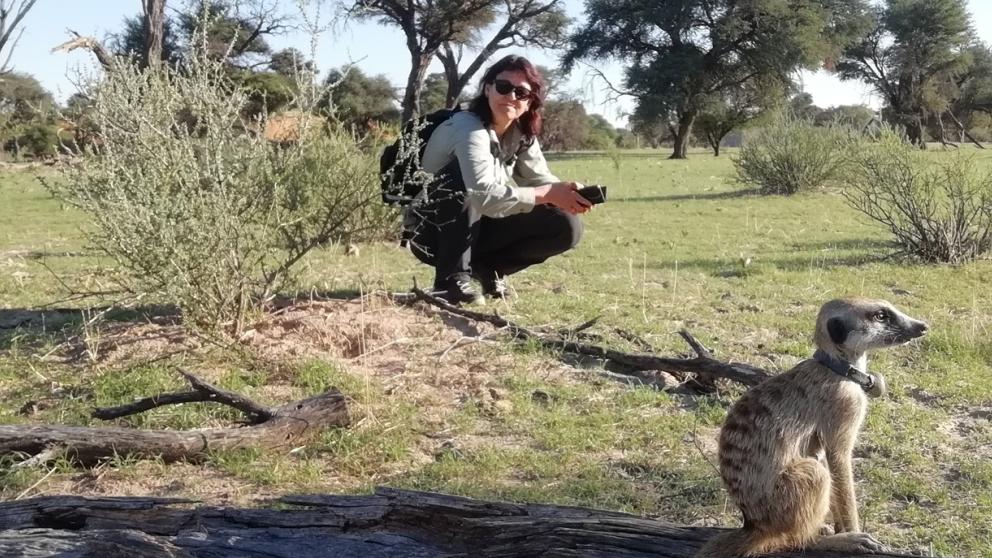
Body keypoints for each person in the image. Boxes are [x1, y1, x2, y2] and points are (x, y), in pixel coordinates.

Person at [407, 54, 592, 305]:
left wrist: (567, 192)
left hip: (479, 224)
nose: (511, 96)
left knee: (566, 225)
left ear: (530, 103)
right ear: (487, 89)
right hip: (430, 233)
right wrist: (547, 194)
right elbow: (483, 195)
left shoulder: (521, 134)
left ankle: (491, 269)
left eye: (522, 93)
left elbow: (540, 179)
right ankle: (450, 280)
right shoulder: (467, 127)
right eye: (503, 87)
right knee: (462, 177)